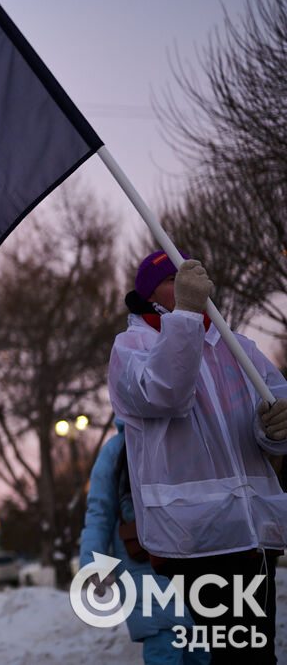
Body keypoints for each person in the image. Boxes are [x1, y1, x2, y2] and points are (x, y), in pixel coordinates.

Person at [109, 251, 287, 662]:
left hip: (252, 532)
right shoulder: (131, 347)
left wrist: (276, 428)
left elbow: (266, 426)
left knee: (251, 654)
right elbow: (165, 393)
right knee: (241, 656)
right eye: (173, 279)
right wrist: (186, 315)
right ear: (149, 296)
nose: (190, 283)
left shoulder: (237, 347)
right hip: (195, 538)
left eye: (191, 274)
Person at [79, 419, 205, 664]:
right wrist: (93, 563)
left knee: (200, 653)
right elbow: (99, 511)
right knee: (166, 649)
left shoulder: (192, 434)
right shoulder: (118, 449)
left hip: (194, 568)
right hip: (146, 573)